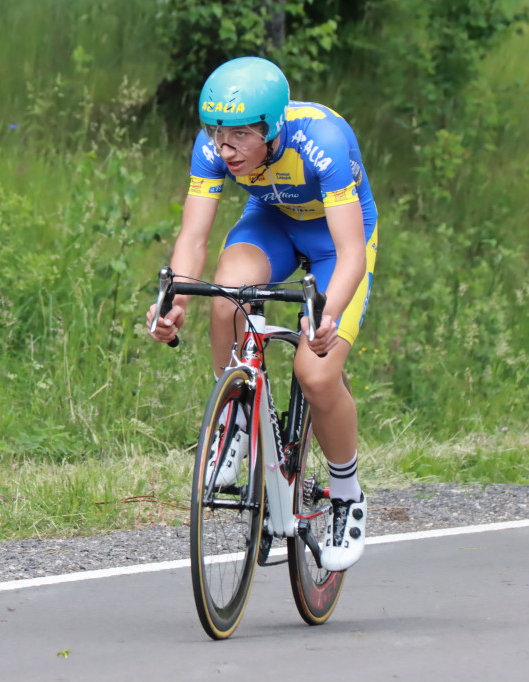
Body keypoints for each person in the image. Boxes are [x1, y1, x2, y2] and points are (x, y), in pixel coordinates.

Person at [145, 56, 377, 571]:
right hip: (271, 223)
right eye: (214, 133)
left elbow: (352, 253)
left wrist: (327, 313)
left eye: (237, 139)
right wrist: (177, 302)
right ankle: (237, 422)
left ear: (271, 131)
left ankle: (346, 493)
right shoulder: (214, 146)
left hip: (336, 244)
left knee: (315, 374)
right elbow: (195, 237)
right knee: (227, 293)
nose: (222, 149)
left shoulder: (325, 141)